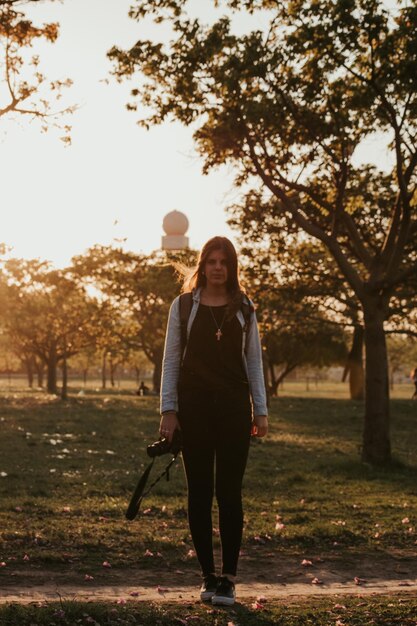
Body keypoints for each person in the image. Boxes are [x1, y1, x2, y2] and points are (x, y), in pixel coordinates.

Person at [159, 236, 268, 606]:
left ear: (231, 266)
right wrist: (168, 411)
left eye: (224, 261)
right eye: (211, 261)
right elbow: (171, 360)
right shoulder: (184, 306)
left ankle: (229, 579)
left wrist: (261, 409)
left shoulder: (245, 307)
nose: (218, 267)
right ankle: (207, 575)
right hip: (194, 409)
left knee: (230, 493)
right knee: (200, 492)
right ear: (202, 266)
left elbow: (253, 360)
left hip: (234, 410)